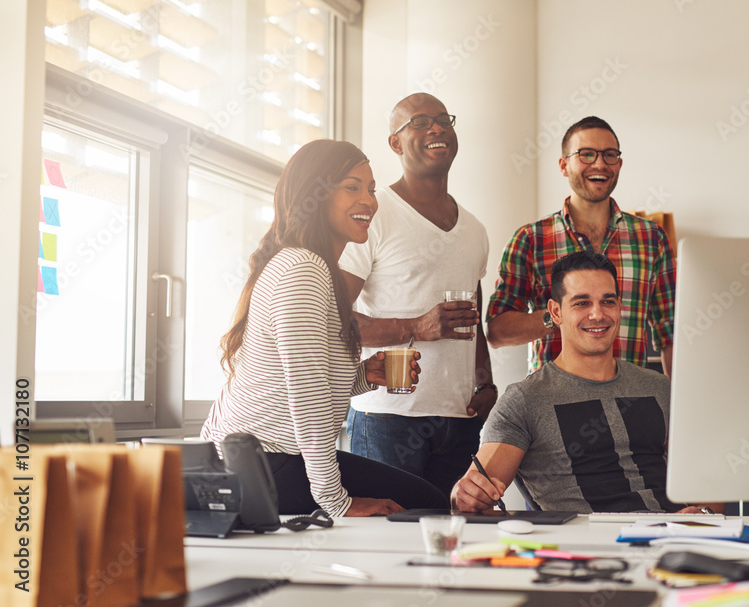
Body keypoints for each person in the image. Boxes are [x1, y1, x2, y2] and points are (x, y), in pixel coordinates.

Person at [201, 140, 449, 517]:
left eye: (370, 188)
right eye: (352, 187)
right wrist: (336, 503)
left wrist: (365, 376)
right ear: (313, 195)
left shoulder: (312, 267)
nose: (369, 200)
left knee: (423, 500)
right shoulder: (303, 270)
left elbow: (301, 380)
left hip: (259, 459)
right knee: (425, 504)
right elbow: (307, 398)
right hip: (262, 464)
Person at [453, 251, 721, 514]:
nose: (597, 314)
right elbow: (472, 497)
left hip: (674, 539)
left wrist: (703, 514)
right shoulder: (524, 400)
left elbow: (707, 481)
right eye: (582, 303)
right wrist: (462, 496)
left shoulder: (657, 387)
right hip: (590, 549)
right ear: (555, 312)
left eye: (608, 301)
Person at [340, 93, 496, 496]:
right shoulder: (371, 215)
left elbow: (472, 317)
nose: (437, 128)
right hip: (386, 417)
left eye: (444, 119)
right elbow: (335, 320)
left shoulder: (475, 229)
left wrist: (485, 382)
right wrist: (416, 327)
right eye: (421, 121)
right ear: (395, 143)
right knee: (383, 543)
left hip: (460, 419)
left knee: (450, 543)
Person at [485, 116, 675, 377]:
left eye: (609, 155)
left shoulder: (652, 239)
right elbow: (497, 332)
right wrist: (559, 316)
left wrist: (676, 410)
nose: (599, 163)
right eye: (586, 154)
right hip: (551, 405)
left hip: (631, 406)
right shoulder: (530, 239)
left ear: (619, 164)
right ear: (564, 165)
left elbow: (672, 334)